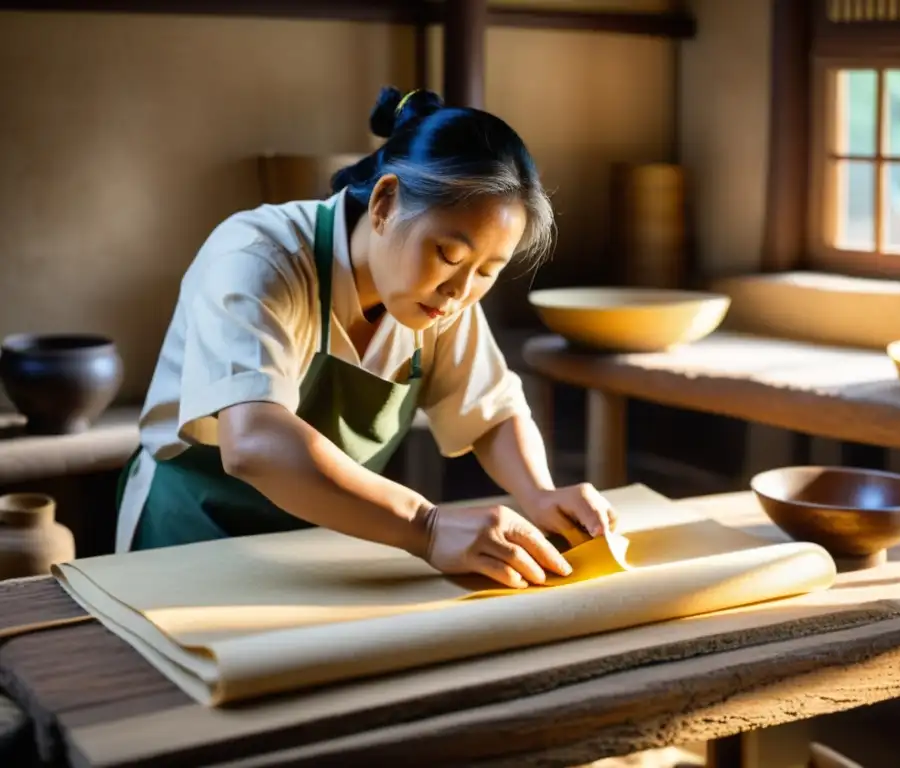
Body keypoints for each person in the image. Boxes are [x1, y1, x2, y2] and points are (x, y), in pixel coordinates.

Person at [114, 86, 618, 589]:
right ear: (385, 203)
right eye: (448, 253)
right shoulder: (258, 255)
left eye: (488, 270)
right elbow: (254, 441)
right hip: (191, 539)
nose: (462, 290)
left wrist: (540, 494)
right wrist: (426, 526)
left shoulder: (442, 295)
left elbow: (491, 412)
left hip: (319, 546)